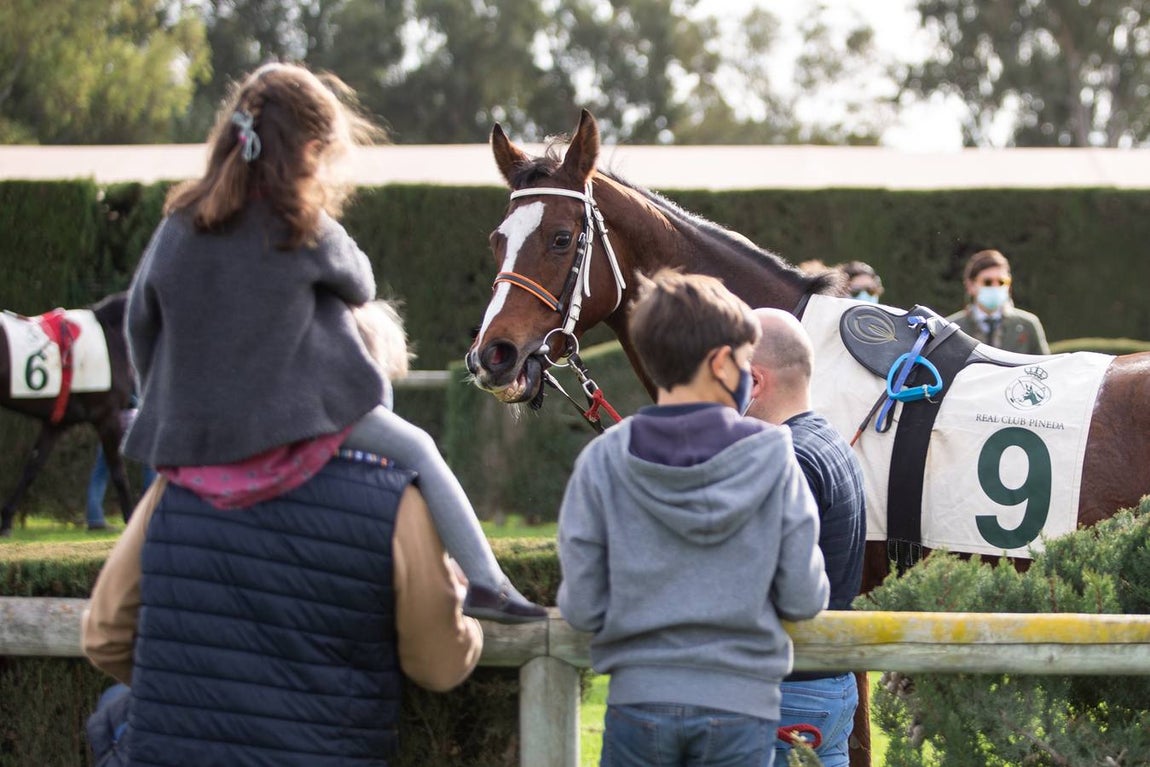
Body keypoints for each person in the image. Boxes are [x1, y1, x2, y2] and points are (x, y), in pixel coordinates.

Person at [120, 62, 544, 623]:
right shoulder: (300, 223)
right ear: (310, 150)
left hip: (197, 437)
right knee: (417, 449)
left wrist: (169, 404)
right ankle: (488, 585)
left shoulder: (179, 223)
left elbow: (138, 321)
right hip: (296, 424)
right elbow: (360, 284)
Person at [557, 269, 830, 767]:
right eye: (748, 360)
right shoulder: (775, 456)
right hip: (742, 706)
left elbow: (581, 607)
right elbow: (804, 596)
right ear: (723, 363)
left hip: (635, 700)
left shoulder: (603, 460)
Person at [745, 308, 866, 767]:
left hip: (789, 693)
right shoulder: (829, 440)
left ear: (754, 382)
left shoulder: (787, 458)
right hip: (831, 688)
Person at [946, 249, 1050, 355]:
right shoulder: (951, 328)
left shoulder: (1027, 325)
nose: (995, 287)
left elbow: (1046, 368)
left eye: (1001, 282)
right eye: (988, 282)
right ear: (971, 285)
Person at [86, 406, 156, 531]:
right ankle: (149, 515)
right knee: (149, 465)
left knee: (101, 471)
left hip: (111, 420)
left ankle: (94, 518)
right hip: (134, 416)